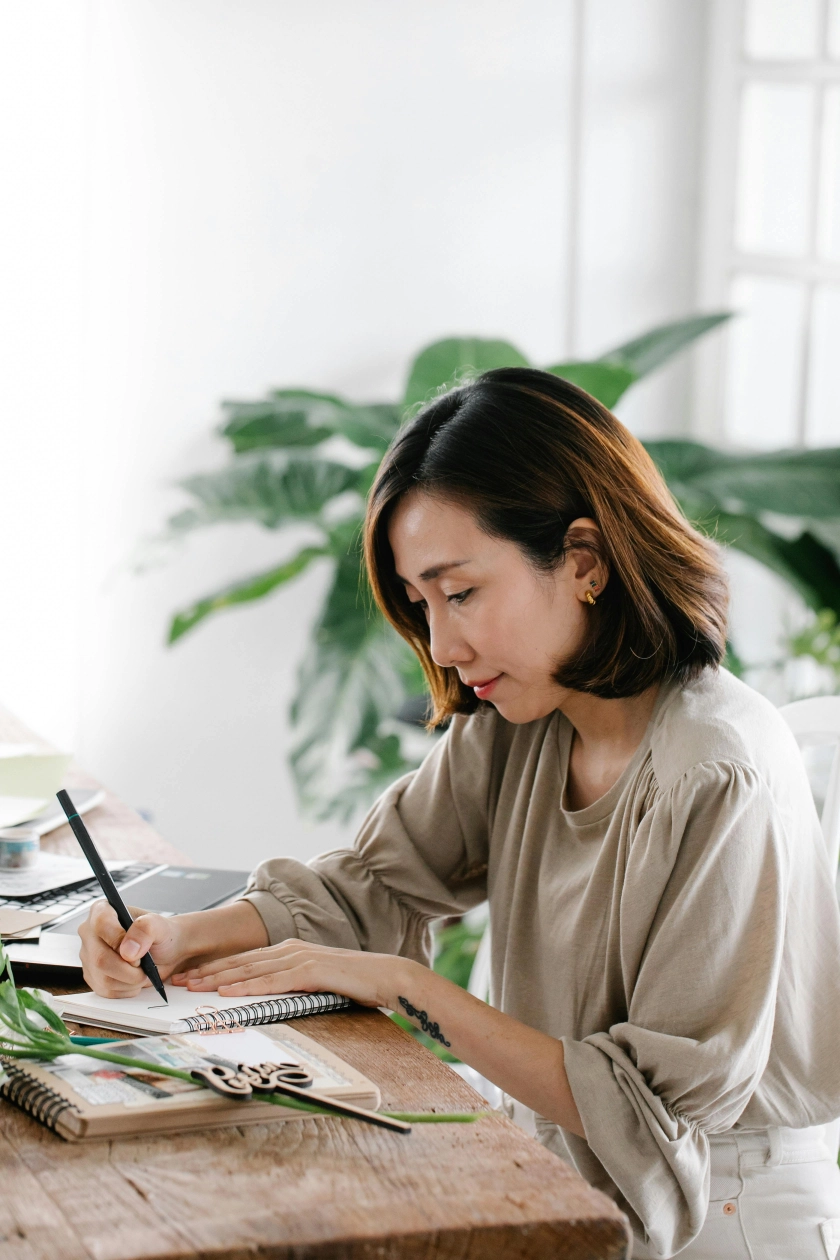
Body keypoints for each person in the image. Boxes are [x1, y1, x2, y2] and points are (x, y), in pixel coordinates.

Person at [80, 369, 840, 1259]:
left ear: (585, 562)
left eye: (462, 593)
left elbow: (654, 1105)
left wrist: (405, 987)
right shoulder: (524, 720)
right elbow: (376, 884)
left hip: (726, 1206)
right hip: (568, 1166)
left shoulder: (716, 768)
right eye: (421, 603)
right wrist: (180, 936)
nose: (441, 646)